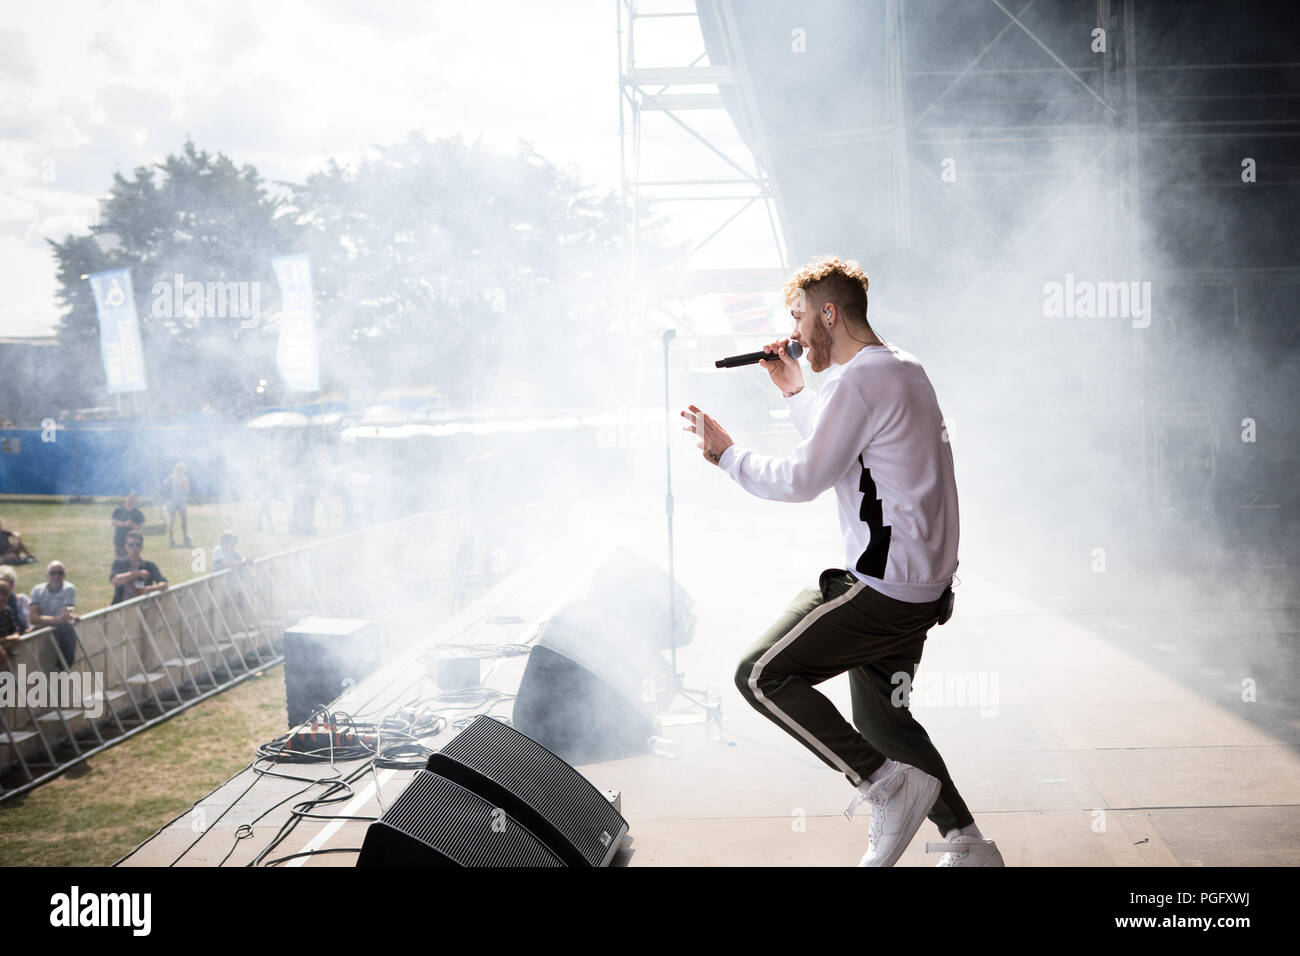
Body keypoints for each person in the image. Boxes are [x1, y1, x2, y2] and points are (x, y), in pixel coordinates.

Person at [680, 256, 1002, 868]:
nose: (795, 334)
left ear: (830, 313)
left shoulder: (860, 382)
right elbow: (852, 454)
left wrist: (727, 456)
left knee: (759, 675)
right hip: (925, 589)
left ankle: (884, 786)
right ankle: (968, 846)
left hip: (884, 588)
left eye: (799, 317)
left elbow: (807, 476)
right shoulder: (904, 370)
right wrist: (796, 390)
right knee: (886, 724)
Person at [28, 561, 79, 668]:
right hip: (40, 636)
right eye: (53, 573)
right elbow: (33, 618)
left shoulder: (69, 589)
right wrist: (56, 620)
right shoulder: (37, 590)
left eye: (60, 573)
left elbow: (64, 617)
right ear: (47, 575)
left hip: (59, 635)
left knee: (62, 666)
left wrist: (43, 621)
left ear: (65, 575)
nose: (56, 576)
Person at [110, 530, 168, 604]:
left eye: (137, 545)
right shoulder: (119, 563)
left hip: (144, 606)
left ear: (141, 547)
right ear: (125, 547)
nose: (134, 548)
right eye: (131, 545)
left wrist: (150, 589)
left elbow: (164, 585)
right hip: (121, 607)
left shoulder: (149, 566)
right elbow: (115, 580)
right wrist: (137, 574)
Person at [111, 491, 146, 557]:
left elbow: (142, 526)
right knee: (120, 561)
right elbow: (113, 521)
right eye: (130, 498)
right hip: (119, 540)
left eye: (134, 499)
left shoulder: (138, 512)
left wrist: (133, 525)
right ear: (126, 498)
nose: (132, 500)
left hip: (133, 543)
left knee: (131, 561)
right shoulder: (118, 509)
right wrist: (124, 523)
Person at [165, 462, 191, 548]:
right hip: (178, 500)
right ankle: (184, 537)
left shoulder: (171, 477)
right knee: (181, 519)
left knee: (173, 520)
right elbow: (187, 489)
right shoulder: (183, 478)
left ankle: (173, 539)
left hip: (174, 500)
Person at [0, 566, 30, 632]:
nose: (8, 586)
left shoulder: (22, 599)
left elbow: (29, 623)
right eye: (4, 583)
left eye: (11, 582)